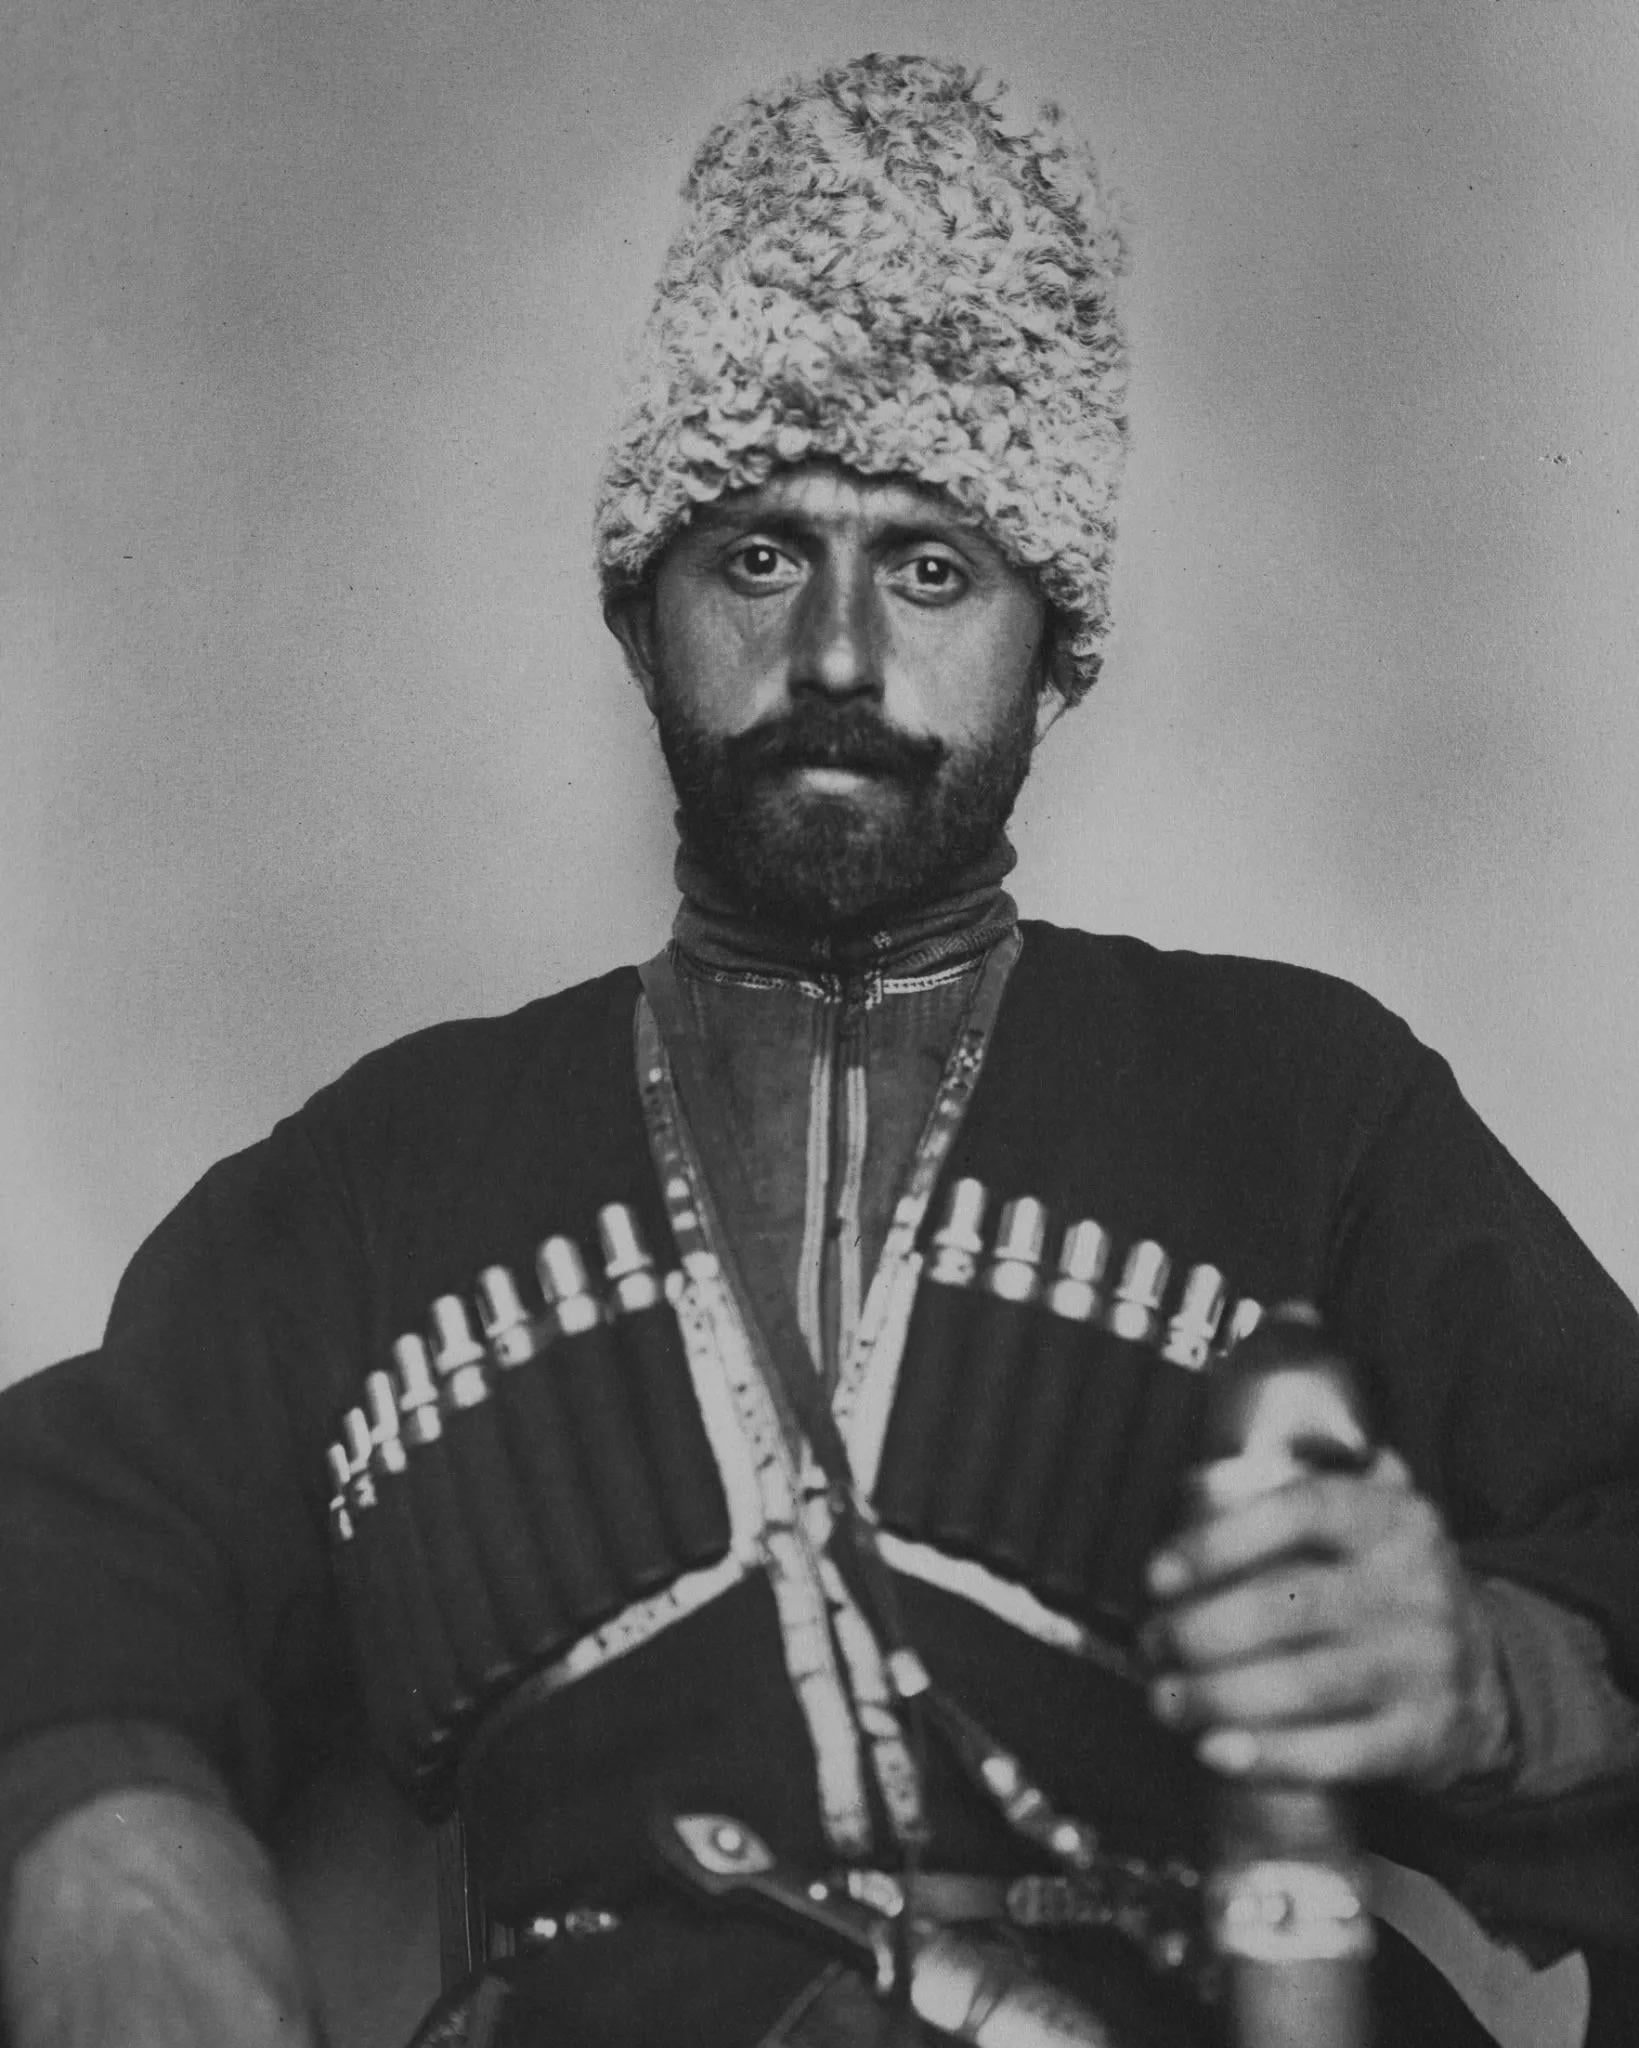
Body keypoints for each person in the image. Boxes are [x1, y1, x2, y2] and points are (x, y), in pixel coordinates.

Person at [2, 52, 1637, 2048]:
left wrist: (1495, 1677)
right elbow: (69, 1552)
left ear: (1058, 640)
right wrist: (101, 1836)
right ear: (640, 612)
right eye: (761, 550)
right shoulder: (383, 1178)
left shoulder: (1303, 1104)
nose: (840, 656)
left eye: (931, 564)